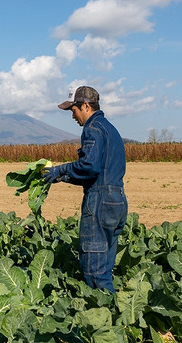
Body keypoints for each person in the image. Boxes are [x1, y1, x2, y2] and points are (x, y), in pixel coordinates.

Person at [43, 86, 128, 293]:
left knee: (94, 271)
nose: (73, 116)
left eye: (73, 110)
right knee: (105, 267)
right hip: (117, 200)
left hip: (100, 202)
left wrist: (59, 169)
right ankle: (114, 316)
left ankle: (105, 318)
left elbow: (90, 166)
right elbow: (97, 171)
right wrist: (61, 177)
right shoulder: (110, 129)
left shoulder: (92, 128)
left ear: (86, 106)